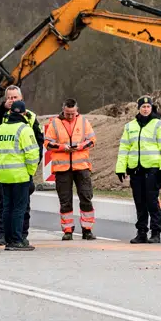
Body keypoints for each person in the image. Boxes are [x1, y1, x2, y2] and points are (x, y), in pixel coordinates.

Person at [0, 85, 43, 246]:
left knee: (22, 206)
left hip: (22, 168)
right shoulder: (2, 116)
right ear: (5, 100)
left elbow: (38, 142)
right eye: (9, 98)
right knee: (6, 204)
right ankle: (5, 235)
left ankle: (21, 235)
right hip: (8, 169)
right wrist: (0, 165)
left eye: (15, 98)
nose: (12, 101)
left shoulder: (30, 117)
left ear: (21, 98)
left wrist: (32, 166)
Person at [115, 96, 161, 244]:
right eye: (143, 107)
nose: (146, 109)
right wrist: (120, 168)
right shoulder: (130, 127)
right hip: (136, 170)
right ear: (138, 108)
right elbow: (124, 149)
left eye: (148, 106)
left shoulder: (159, 125)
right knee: (139, 203)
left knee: (152, 202)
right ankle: (141, 232)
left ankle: (155, 232)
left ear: (152, 108)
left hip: (152, 170)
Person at [43, 99, 97, 241]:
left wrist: (80, 146)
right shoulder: (55, 123)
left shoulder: (84, 122)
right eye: (68, 113)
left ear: (77, 110)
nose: (70, 116)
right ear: (63, 110)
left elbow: (92, 140)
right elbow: (47, 143)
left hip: (82, 167)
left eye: (73, 113)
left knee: (86, 197)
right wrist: (62, 147)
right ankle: (67, 230)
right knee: (65, 200)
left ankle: (87, 229)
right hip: (62, 168)